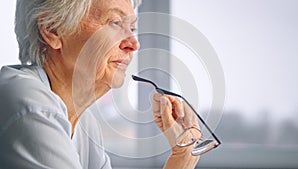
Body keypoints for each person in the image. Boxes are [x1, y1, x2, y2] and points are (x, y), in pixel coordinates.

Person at [0, 0, 201, 168]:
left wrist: (182, 156)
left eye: (131, 28)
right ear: (53, 30)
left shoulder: (85, 124)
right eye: (115, 23)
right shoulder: (28, 104)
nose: (133, 43)